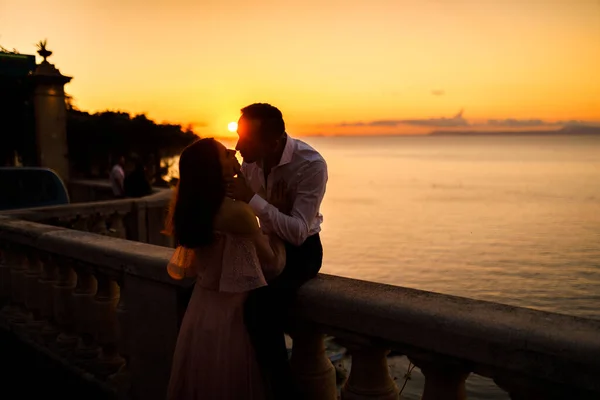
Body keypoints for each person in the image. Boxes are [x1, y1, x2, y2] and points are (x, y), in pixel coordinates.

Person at [165, 138, 286, 400]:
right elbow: (274, 264)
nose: (233, 151)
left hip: (201, 311)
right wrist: (276, 217)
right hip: (233, 318)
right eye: (224, 153)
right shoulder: (237, 213)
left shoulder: (194, 208)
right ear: (213, 169)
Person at [228, 103, 328, 399]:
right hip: (263, 243)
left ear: (273, 143)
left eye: (246, 140)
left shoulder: (310, 165)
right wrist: (273, 209)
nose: (237, 146)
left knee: (259, 307)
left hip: (302, 253)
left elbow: (298, 233)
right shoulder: (248, 161)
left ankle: (282, 393)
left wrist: (254, 200)